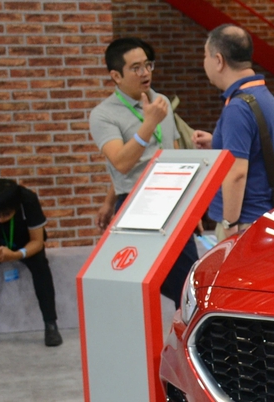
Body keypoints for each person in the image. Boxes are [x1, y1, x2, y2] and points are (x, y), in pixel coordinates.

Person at [88, 37, 196, 302]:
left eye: (148, 65)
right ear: (116, 76)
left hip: (173, 201)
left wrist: (190, 203)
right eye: (135, 68)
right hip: (137, 206)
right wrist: (149, 123)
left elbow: (172, 154)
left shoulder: (161, 101)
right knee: (147, 284)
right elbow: (122, 163)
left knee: (189, 284)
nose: (145, 73)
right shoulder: (103, 114)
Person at [192, 25, 274, 238]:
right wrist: (218, 141)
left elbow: (236, 173)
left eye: (205, 56)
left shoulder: (238, 108)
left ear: (218, 60)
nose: (204, 62)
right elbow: (259, 146)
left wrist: (229, 225)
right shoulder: (263, 96)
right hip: (262, 215)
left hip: (243, 222)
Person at [0, 179, 60, 351]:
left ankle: (51, 325)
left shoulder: (28, 200)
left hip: (24, 241)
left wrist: (15, 255)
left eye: (6, 214)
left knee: (40, 265)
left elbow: (37, 242)